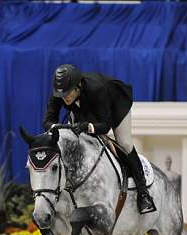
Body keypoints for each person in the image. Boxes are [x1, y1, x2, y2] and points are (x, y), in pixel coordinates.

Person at [43, 64, 156, 214]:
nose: (65, 98)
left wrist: (87, 127)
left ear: (78, 86)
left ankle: (143, 193)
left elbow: (105, 126)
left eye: (68, 93)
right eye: (62, 95)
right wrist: (58, 128)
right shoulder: (60, 94)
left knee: (124, 143)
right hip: (83, 110)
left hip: (115, 106)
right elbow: (47, 122)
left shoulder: (96, 89)